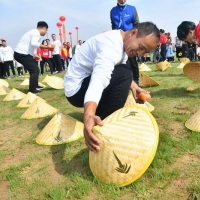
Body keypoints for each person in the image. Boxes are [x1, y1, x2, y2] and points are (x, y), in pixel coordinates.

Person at [64, 22, 160, 152]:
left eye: (145, 52)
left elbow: (114, 70)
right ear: (133, 33)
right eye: (141, 47)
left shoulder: (123, 43)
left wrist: (134, 87)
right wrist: (88, 115)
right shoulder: (110, 45)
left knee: (125, 73)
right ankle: (106, 123)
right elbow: (99, 79)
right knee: (126, 72)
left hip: (83, 84)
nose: (140, 53)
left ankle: (102, 115)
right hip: (76, 90)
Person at [14, 21, 54, 94]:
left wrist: (34, 55)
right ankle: (32, 90)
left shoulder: (33, 32)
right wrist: (47, 47)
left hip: (22, 53)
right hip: (21, 54)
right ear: (44, 28)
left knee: (35, 68)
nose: (46, 33)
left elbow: (32, 46)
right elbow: (34, 43)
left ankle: (35, 85)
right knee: (34, 70)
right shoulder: (36, 32)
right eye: (46, 30)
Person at [110, 0, 140, 85]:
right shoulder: (113, 11)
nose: (122, 1)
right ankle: (123, 80)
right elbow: (113, 25)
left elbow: (137, 24)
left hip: (130, 39)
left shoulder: (132, 9)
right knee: (119, 61)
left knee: (132, 60)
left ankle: (136, 79)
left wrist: (136, 38)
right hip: (118, 39)